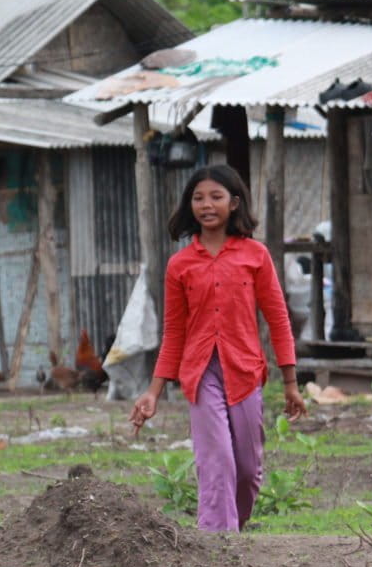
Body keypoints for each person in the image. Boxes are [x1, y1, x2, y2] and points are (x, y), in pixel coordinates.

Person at [129, 164, 307, 532]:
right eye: (198, 198)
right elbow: (173, 334)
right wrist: (153, 392)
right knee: (217, 460)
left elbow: (278, 320)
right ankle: (217, 541)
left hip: (245, 371)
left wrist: (291, 383)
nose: (206, 205)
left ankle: (232, 529)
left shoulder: (255, 256)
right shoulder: (179, 265)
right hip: (199, 374)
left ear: (234, 203)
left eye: (215, 197)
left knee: (247, 468)